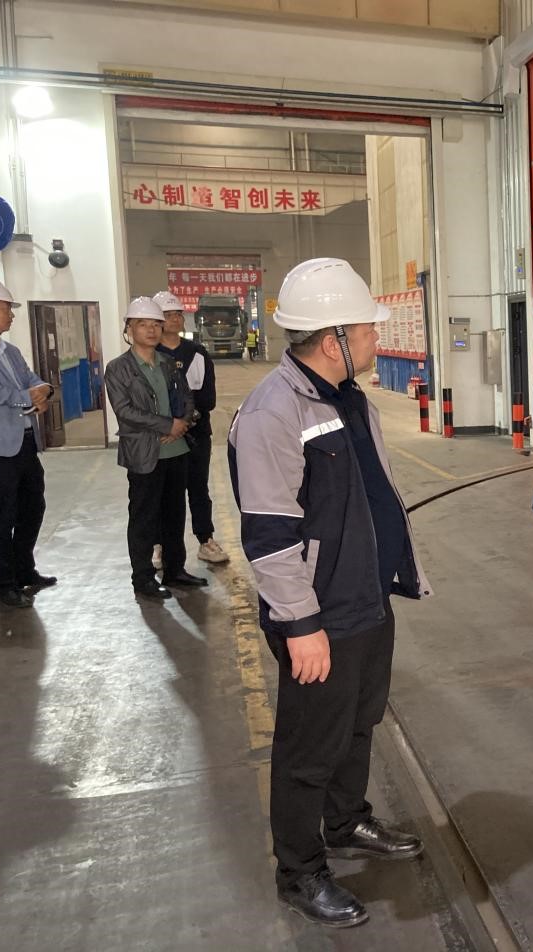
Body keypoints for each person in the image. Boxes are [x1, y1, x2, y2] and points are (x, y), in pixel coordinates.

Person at [228, 257, 431, 929]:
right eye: (367, 329)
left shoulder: (350, 399)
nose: (377, 337)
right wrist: (299, 624)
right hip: (319, 614)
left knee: (358, 723)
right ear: (333, 338)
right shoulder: (273, 412)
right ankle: (300, 871)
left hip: (367, 597)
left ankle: (345, 822)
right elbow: (268, 534)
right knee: (308, 748)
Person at [104, 297, 207, 600]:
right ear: (129, 329)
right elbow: (125, 411)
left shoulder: (167, 364)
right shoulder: (118, 368)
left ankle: (175, 570)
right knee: (144, 518)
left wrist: (182, 423)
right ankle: (143, 578)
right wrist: (166, 425)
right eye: (142, 324)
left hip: (176, 450)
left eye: (155, 324)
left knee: (174, 515)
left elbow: (187, 398)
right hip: (144, 453)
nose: (151, 330)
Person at [0, 278, 56, 610]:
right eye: (4, 308)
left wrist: (45, 391)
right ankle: (5, 585)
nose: (10, 315)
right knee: (2, 517)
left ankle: (24, 569)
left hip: (26, 443)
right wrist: (26, 397)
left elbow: (32, 379)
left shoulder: (10, 351)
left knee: (33, 507)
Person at [154, 291, 229, 566]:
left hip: (196, 433)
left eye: (178, 314)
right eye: (168, 315)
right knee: (163, 492)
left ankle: (205, 540)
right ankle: (160, 545)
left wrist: (185, 421)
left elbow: (207, 398)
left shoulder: (197, 353)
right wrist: (168, 425)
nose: (175, 319)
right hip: (162, 436)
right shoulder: (150, 355)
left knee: (198, 487)